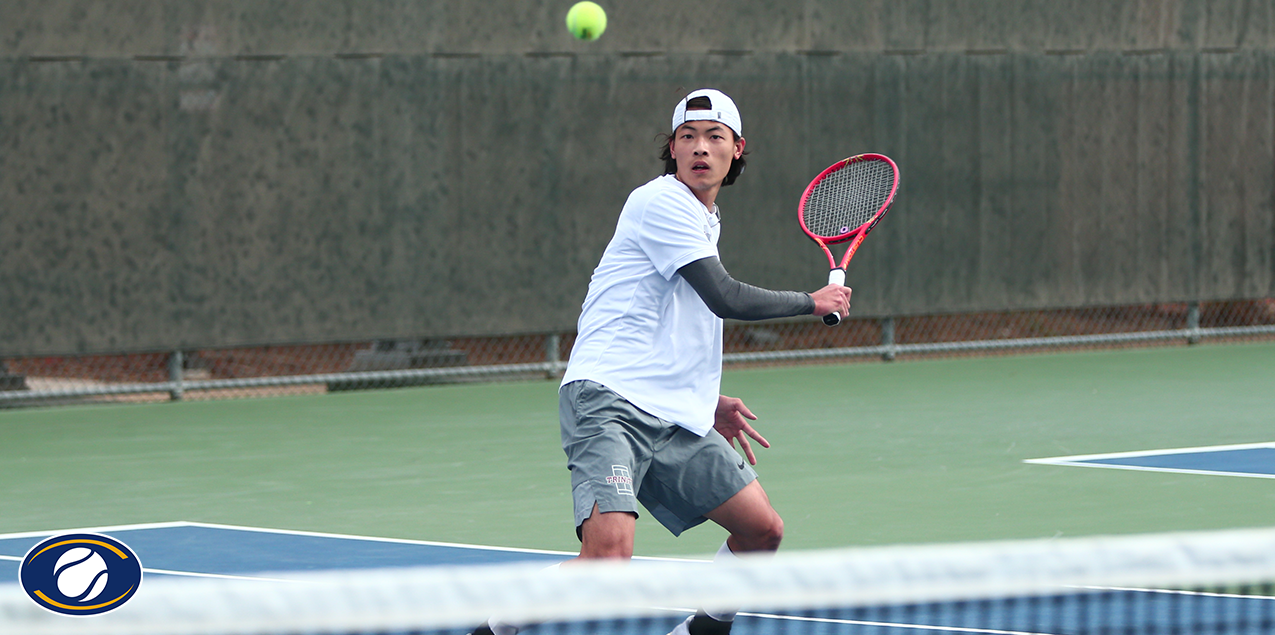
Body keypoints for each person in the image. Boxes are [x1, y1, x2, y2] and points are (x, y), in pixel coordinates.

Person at [475, 89, 851, 635]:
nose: (700, 147)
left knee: (761, 531)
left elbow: (672, 317)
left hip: (673, 413)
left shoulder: (704, 218)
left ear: (737, 150)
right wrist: (810, 302)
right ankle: (494, 626)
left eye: (714, 137)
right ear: (672, 151)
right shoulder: (661, 202)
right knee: (606, 564)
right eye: (687, 138)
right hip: (608, 399)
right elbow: (724, 296)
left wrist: (704, 399)